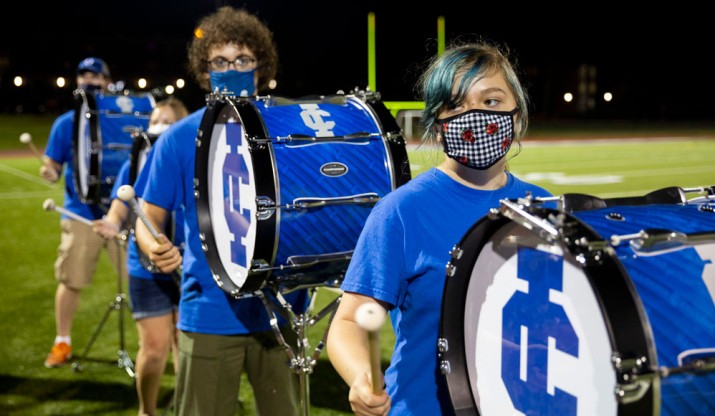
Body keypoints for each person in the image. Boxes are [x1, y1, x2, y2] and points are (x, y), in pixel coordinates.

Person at [326, 41, 553, 415]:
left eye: (491, 101)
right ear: (436, 121)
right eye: (456, 105)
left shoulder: (543, 206)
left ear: (517, 111)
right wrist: (361, 376)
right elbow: (350, 319)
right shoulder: (402, 211)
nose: (475, 115)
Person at [133, 7, 307, 416]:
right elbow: (147, 215)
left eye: (243, 60)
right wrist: (152, 245)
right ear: (205, 70)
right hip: (208, 311)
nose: (232, 69)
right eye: (221, 62)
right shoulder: (178, 139)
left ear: (260, 68)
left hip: (280, 309)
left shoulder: (290, 128)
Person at [92, 97, 189, 416]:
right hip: (147, 268)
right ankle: (146, 410)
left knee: (184, 345)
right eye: (156, 119)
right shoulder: (134, 163)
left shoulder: (193, 158)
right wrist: (111, 221)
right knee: (155, 345)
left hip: (189, 265)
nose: (160, 126)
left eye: (169, 121)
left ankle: (184, 405)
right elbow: (122, 202)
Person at [40, 57, 128, 368]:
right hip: (80, 214)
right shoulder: (65, 123)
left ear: (107, 81)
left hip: (121, 213)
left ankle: (159, 345)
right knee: (71, 280)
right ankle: (62, 341)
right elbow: (52, 162)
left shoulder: (119, 119)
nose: (89, 80)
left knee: (145, 282)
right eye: (83, 75)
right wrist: (49, 171)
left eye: (95, 75)